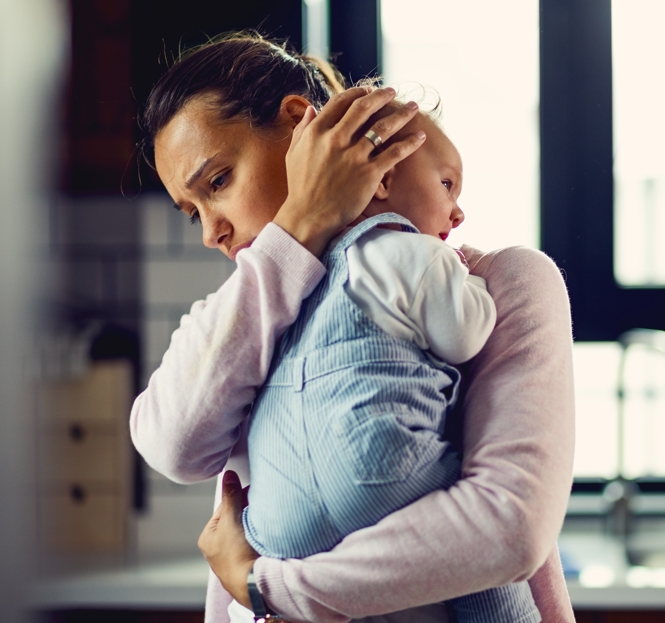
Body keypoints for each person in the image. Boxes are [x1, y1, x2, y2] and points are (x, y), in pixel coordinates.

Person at [131, 33, 575, 623]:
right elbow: (176, 447)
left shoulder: (495, 284)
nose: (211, 231)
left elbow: (508, 531)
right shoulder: (234, 314)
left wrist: (265, 585)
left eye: (217, 183)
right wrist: (297, 233)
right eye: (193, 212)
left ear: (297, 125)